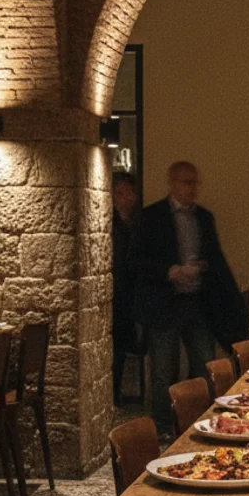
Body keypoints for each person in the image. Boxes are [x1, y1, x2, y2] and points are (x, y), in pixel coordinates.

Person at [132, 161, 247, 435]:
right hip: (164, 303)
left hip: (197, 302)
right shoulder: (151, 217)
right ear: (172, 183)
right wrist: (168, 271)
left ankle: (198, 422)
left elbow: (215, 258)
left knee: (204, 366)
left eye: (195, 182)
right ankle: (162, 426)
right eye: (186, 182)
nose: (192, 188)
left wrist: (204, 270)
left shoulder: (204, 218)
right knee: (163, 371)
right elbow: (135, 260)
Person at [111, 171, 140, 404]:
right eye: (119, 193)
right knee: (117, 348)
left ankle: (130, 392)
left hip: (135, 291)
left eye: (129, 192)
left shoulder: (140, 222)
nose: (125, 198)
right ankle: (115, 394)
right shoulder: (109, 223)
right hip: (117, 292)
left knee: (131, 344)